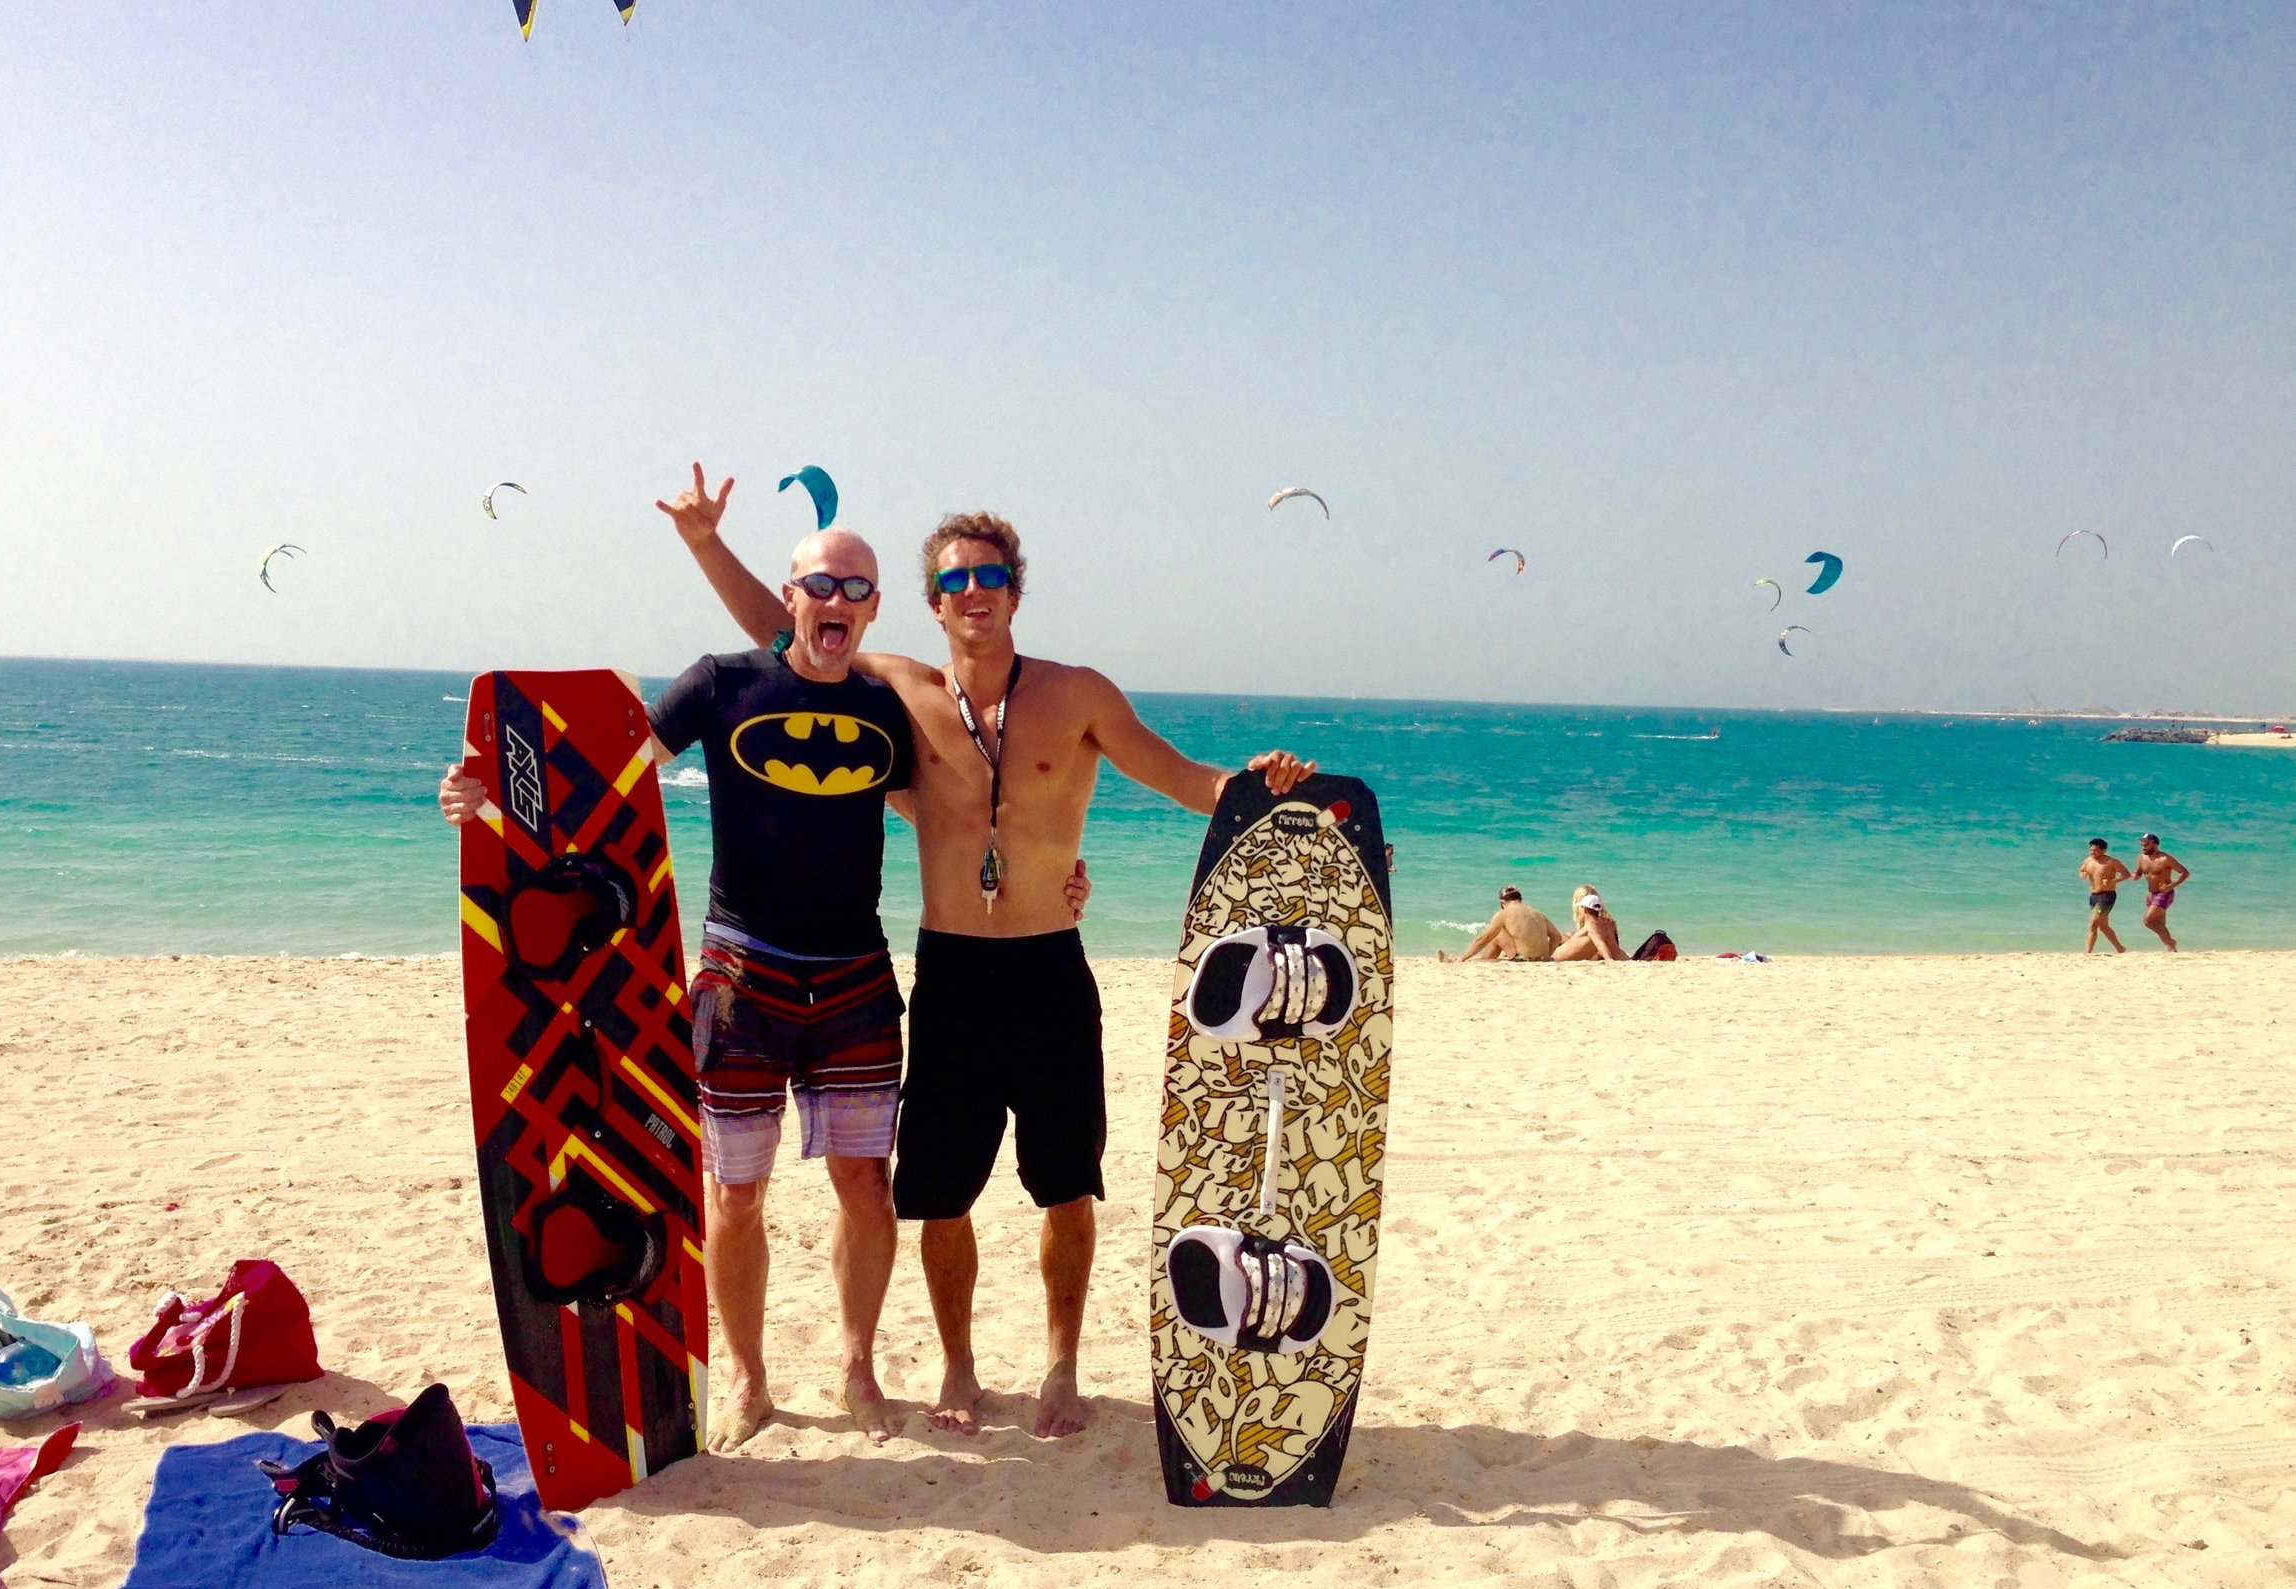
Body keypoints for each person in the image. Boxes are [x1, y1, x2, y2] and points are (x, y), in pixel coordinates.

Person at [658, 466, 1315, 1439]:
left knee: (1067, 1186)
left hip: (1051, 970)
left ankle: (1060, 1368)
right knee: (937, 1195)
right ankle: (957, 1368)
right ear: (928, 603)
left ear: (1015, 588)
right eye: (956, 579)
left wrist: (1266, 788)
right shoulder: (899, 691)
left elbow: (1181, 777)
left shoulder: (1078, 693)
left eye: (992, 574)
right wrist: (709, 542)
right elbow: (784, 630)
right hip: (951, 975)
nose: (975, 590)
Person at [439, 523, 1087, 1453]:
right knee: (736, 1192)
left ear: (872, 606)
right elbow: (610, 779)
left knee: (866, 1186)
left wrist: (1057, 869)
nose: (836, 601)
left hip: (857, 977)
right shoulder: (720, 682)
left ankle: (858, 1368)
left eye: (855, 587)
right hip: (744, 973)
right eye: (819, 585)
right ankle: (748, 1377)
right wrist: (491, 798)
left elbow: (968, 808)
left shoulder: (883, 705)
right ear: (791, 594)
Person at [1449, 886, 1563, 963]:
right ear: (1520, 899)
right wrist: (1546, 956)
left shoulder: (1504, 914)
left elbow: (1483, 939)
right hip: (1543, 960)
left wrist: (1462, 958)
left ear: (1503, 902)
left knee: (1497, 935)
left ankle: (1482, 959)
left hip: (1524, 961)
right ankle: (1484, 960)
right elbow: (1556, 937)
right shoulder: (1537, 913)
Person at [2135, 832, 2190, 952]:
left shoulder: (2165, 859)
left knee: (2148, 920)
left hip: (2164, 893)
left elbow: (2185, 873)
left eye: (2146, 844)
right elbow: (2139, 872)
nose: (2143, 847)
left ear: (2154, 844)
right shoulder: (2141, 858)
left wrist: (2171, 886)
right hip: (2150, 894)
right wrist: (2135, 875)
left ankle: (2170, 943)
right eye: (2142, 844)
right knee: (2159, 923)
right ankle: (2170, 947)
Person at [2079, 837, 2131, 953]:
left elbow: (2126, 874)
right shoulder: (2088, 861)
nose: (2092, 852)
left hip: (2107, 896)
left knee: (2092, 924)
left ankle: (2088, 953)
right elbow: (2082, 870)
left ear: (2104, 850)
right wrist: (2083, 874)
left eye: (2096, 850)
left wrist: (2113, 881)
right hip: (2094, 896)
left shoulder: (2111, 862)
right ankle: (2120, 948)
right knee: (2103, 926)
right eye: (2091, 850)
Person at [1551, 885, 1628, 961]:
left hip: (1558, 957)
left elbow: (1600, 945)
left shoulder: (1593, 926)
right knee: (1564, 937)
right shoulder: (1606, 924)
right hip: (1573, 953)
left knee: (1562, 938)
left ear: (1583, 909)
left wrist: (1609, 959)